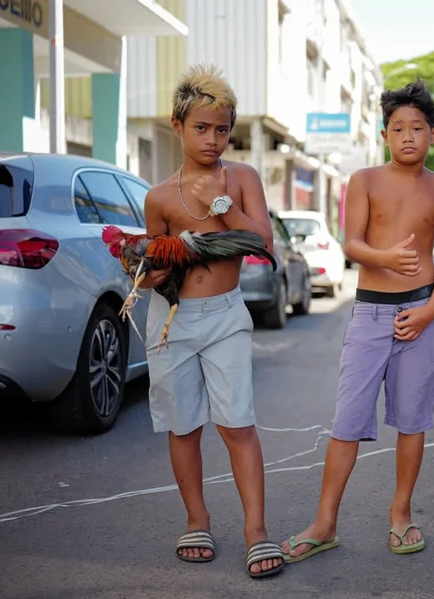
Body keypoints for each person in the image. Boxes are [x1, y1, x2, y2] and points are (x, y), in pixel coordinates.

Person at [280, 79, 434, 562]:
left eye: (417, 128)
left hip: (421, 313)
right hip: (370, 312)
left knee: (412, 420)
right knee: (347, 420)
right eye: (398, 128)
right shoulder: (363, 181)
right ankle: (325, 522)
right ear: (385, 135)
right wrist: (384, 256)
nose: (408, 136)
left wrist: (429, 311)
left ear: (433, 134)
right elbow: (352, 244)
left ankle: (400, 514)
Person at [140, 64, 285, 578]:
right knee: (183, 426)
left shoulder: (240, 178)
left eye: (222, 129)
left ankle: (256, 531)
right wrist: (148, 272)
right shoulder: (159, 197)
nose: (213, 139)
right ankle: (196, 518)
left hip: (225, 317)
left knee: (238, 424)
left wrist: (220, 207)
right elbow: (153, 269)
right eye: (201, 128)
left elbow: (262, 243)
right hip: (173, 320)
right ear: (177, 127)